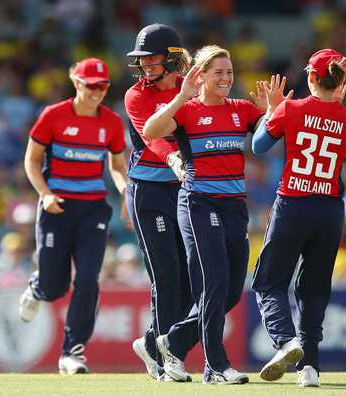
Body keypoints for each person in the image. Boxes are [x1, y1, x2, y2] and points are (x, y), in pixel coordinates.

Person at [143, 45, 289, 384]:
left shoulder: (241, 109)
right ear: (201, 75)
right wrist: (180, 97)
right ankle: (216, 366)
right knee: (214, 283)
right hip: (198, 203)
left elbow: (266, 139)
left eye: (229, 72)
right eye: (218, 72)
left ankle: (171, 341)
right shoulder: (188, 110)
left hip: (235, 207)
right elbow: (150, 131)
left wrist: (273, 112)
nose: (226, 78)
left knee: (232, 291)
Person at [251, 48, 346, 387]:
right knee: (313, 289)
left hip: (293, 205)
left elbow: (258, 146)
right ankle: (309, 367)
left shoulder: (292, 108)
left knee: (269, 281)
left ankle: (286, 341)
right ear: (341, 82)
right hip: (329, 210)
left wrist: (272, 110)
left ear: (311, 78)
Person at [18, 57, 127, 374]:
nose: (97, 92)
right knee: (55, 287)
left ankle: (73, 352)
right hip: (57, 207)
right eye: (91, 85)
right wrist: (45, 193)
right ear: (76, 83)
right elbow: (31, 160)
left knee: (88, 278)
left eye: (103, 86)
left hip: (93, 208)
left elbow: (117, 166)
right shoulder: (53, 115)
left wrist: (126, 192)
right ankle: (38, 287)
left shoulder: (111, 122)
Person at [123, 23, 195, 381]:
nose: (146, 66)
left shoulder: (191, 88)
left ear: (172, 59)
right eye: (142, 60)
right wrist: (174, 159)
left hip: (182, 190)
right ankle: (169, 357)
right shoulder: (135, 96)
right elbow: (153, 139)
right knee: (165, 275)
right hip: (148, 191)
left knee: (186, 279)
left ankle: (153, 344)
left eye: (152, 59)